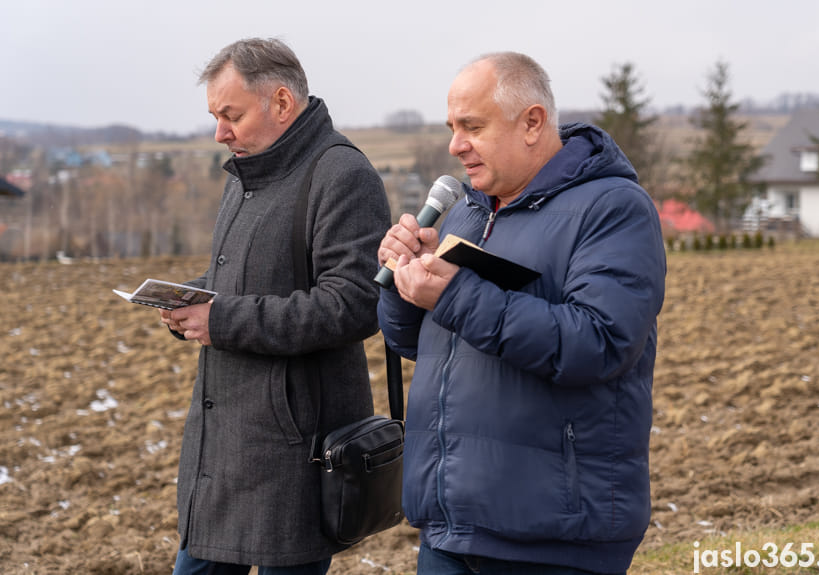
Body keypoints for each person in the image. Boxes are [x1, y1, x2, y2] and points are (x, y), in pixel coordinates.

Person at [376, 52, 666, 575]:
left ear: (532, 122)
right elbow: (419, 344)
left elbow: (598, 344)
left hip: (553, 534)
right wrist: (405, 283)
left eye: (472, 126)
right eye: (452, 127)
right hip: (451, 524)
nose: (455, 145)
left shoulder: (613, 209)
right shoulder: (465, 210)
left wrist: (455, 295)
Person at [160, 38, 390, 575]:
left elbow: (355, 303)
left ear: (282, 103)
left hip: (293, 456)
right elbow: (248, 278)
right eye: (216, 117)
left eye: (231, 115)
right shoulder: (246, 175)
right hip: (222, 451)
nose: (221, 132)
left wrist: (222, 320)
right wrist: (191, 298)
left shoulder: (341, 175)